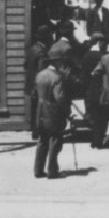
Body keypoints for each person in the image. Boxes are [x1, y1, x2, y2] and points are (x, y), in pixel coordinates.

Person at [33, 43, 71, 179]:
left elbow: (35, 93)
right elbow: (59, 98)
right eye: (62, 61)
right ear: (57, 62)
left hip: (40, 111)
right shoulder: (57, 77)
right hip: (53, 113)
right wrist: (67, 111)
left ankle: (38, 170)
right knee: (54, 141)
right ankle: (52, 171)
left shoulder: (40, 75)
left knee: (42, 141)